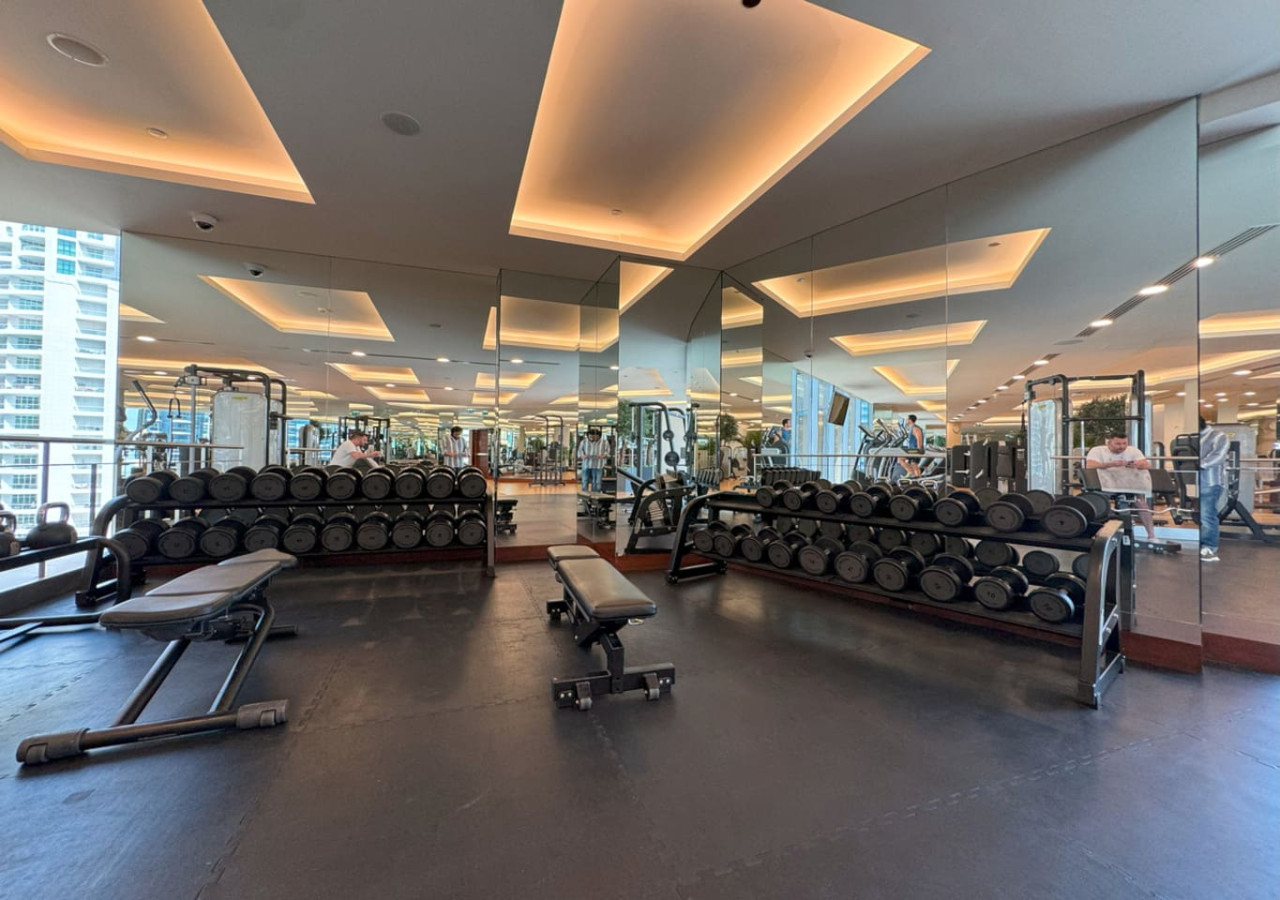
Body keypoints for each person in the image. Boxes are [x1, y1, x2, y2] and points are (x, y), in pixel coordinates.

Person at [1085, 431, 1156, 540]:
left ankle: (1151, 535)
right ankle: (1100, 534)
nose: (1121, 447)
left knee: (1141, 503)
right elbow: (1090, 465)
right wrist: (1110, 464)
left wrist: (1137, 464)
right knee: (1102, 505)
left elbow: (1147, 465)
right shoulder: (1097, 450)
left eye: (1124, 443)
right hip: (1106, 485)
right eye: (1118, 444)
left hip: (1129, 485)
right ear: (1109, 443)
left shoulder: (1133, 450)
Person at [1198, 417, 1229, 562]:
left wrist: (1200, 464)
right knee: (1201, 516)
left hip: (1211, 482)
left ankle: (1209, 548)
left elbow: (1219, 456)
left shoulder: (1218, 436)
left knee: (1207, 516)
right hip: (1193, 483)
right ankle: (1203, 545)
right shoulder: (1191, 438)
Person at [578, 427, 607, 493]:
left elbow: (607, 452)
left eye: (594, 437)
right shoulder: (584, 442)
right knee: (585, 480)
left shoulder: (604, 442)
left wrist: (603, 455)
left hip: (598, 465)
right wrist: (582, 455)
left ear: (599, 436)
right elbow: (580, 451)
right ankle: (585, 495)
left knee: (597, 481)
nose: (592, 438)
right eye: (590, 437)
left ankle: (595, 495)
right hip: (586, 464)